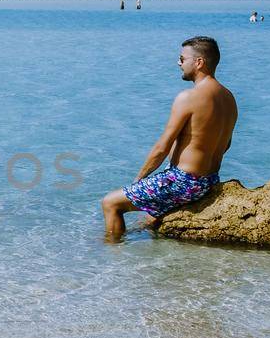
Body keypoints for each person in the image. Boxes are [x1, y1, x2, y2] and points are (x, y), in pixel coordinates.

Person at [100, 36, 238, 240]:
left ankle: (113, 256)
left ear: (199, 62)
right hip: (209, 180)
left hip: (185, 182)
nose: (178, 63)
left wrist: (138, 181)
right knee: (147, 218)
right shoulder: (229, 98)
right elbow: (225, 145)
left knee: (110, 203)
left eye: (182, 59)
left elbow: (161, 148)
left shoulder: (188, 97)